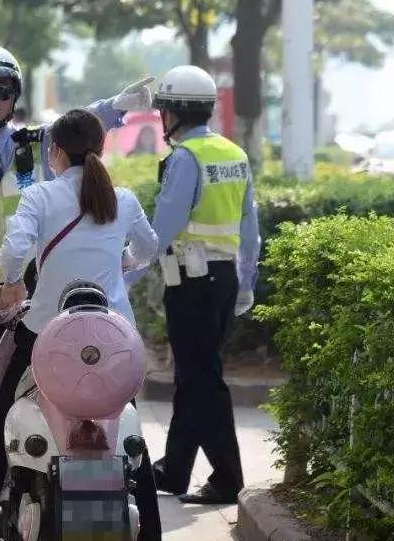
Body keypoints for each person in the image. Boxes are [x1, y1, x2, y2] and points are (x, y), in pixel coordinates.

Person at [0, 45, 152, 540]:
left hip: (32, 309)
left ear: (15, 96)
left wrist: (119, 104)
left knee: (3, 412)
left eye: (1, 91)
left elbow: (83, 123)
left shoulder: (37, 147)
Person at [0, 108, 162, 541]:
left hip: (46, 334)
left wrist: (14, 282)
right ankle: (149, 532)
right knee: (127, 437)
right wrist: (123, 261)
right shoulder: (122, 199)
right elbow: (150, 247)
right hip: (113, 338)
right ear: (101, 148)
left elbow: (15, 249)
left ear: (54, 152)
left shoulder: (40, 196)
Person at [141, 65, 260, 505]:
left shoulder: (185, 158)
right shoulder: (233, 154)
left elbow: (162, 230)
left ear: (173, 112)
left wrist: (125, 270)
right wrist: (247, 280)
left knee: (203, 379)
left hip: (191, 283)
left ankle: (228, 478)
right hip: (224, 279)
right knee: (194, 377)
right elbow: (251, 226)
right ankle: (174, 470)